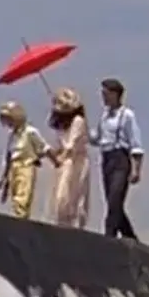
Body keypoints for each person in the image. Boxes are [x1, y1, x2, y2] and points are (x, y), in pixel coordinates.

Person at [91, 76, 144, 239]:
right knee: (112, 202)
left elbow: (136, 144)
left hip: (120, 158)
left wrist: (136, 170)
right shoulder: (104, 116)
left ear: (115, 94)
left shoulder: (127, 115)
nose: (103, 97)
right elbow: (97, 138)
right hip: (106, 159)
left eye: (106, 94)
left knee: (115, 198)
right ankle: (130, 236)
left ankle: (109, 235)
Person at [46, 87, 91, 229]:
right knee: (60, 197)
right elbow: (60, 146)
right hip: (65, 164)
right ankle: (62, 225)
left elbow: (71, 145)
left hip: (76, 162)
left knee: (75, 196)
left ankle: (75, 226)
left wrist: (62, 157)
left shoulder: (78, 121)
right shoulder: (61, 126)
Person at [0, 100, 49, 221]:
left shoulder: (30, 132)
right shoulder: (12, 136)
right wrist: (4, 177)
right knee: (15, 197)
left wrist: (56, 160)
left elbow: (44, 147)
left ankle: (22, 220)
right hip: (14, 168)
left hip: (26, 166)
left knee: (23, 196)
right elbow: (8, 156)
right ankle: (19, 219)